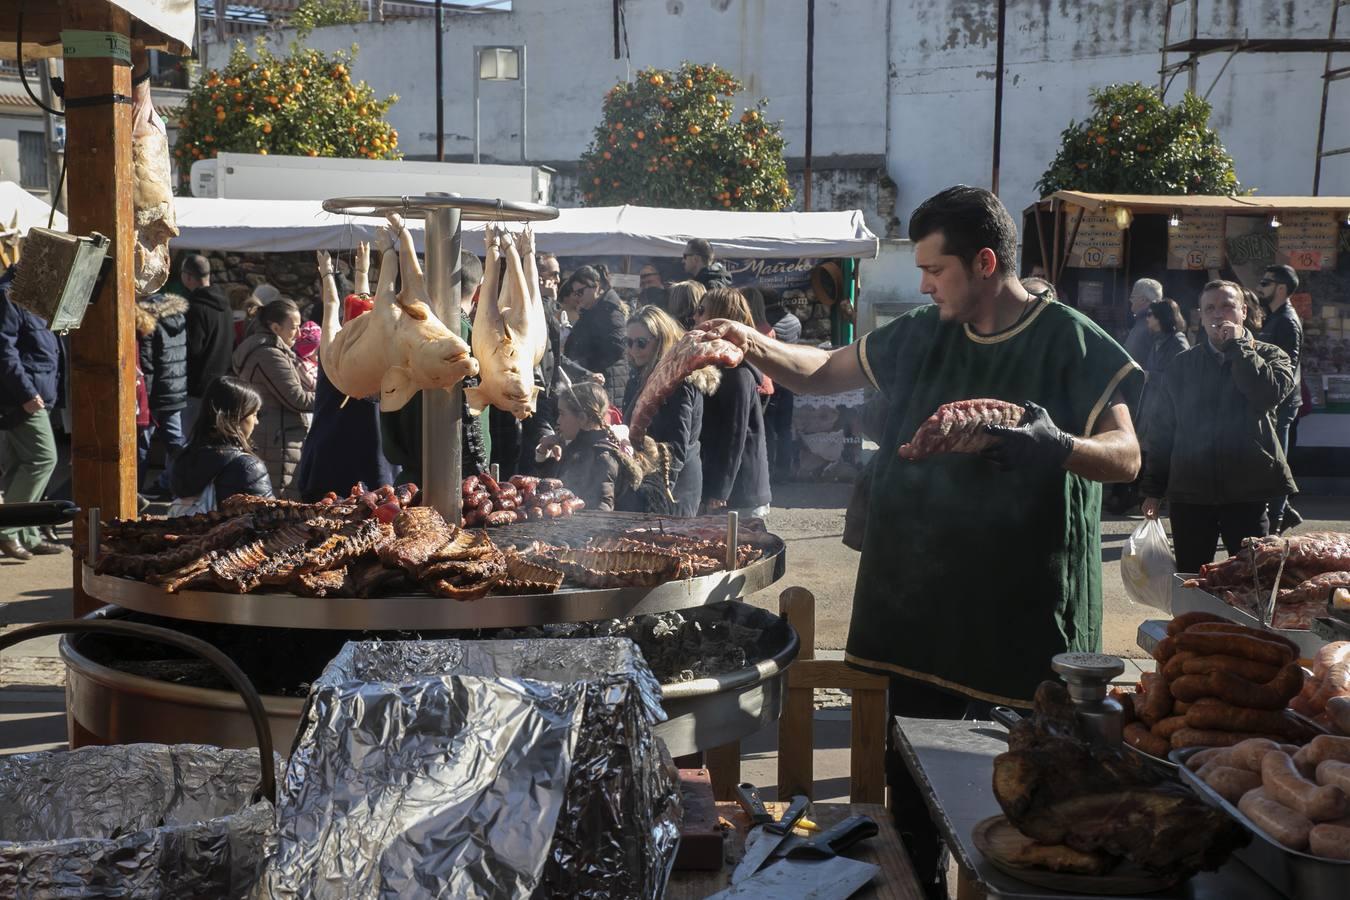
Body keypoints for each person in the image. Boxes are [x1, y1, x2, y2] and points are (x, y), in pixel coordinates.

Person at [696, 185, 1142, 898]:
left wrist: (1053, 443)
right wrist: (747, 342)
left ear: (987, 262)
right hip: (916, 607)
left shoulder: (1068, 339)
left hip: (1019, 613)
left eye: (937, 270)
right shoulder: (923, 331)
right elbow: (820, 372)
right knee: (909, 798)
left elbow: (1126, 455)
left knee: (1027, 804)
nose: (925, 283)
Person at [1140, 280, 1296, 575]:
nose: (1218, 314)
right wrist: (1153, 489)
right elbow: (1163, 431)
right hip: (1191, 493)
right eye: (1210, 308)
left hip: (1247, 491)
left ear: (1243, 311)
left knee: (1251, 583)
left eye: (1227, 305)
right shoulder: (1182, 365)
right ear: (1200, 315)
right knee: (1192, 579)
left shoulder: (1272, 356)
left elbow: (1266, 394)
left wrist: (1239, 348)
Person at [300, 248, 396, 500]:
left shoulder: (333, 347)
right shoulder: (379, 352)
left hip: (333, 451)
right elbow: (362, 311)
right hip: (370, 456)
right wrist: (362, 272)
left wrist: (327, 273)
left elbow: (336, 306)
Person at [620, 306, 715, 516]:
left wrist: (660, 493)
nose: (633, 349)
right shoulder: (640, 375)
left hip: (674, 488)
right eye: (629, 342)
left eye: (641, 343)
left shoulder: (678, 383)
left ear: (661, 340)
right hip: (648, 479)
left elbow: (676, 447)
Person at [0, 267, 62, 560]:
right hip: (22, 398)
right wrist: (27, 393)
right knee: (43, 458)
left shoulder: (31, 294)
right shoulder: (11, 295)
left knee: (19, 465)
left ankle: (27, 531)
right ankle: (7, 531)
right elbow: (5, 351)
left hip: (34, 394)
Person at [693, 288, 772, 519]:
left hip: (739, 490)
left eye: (701, 310)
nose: (695, 317)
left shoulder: (736, 370)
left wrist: (719, 489)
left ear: (719, 316)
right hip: (727, 484)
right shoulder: (720, 361)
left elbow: (734, 433)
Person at [232, 298, 314, 498]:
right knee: (278, 504)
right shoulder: (269, 355)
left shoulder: (273, 351)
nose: (300, 333)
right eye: (294, 327)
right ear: (276, 328)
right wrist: (331, 395)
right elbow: (297, 399)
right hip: (277, 440)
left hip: (276, 435)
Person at [169, 375, 273, 513]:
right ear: (236, 416)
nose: (256, 422)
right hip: (233, 534)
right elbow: (268, 520)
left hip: (190, 533)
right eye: (253, 414)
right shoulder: (249, 467)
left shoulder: (184, 458)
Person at [1258, 264, 1304, 533]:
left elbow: (1288, 367)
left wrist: (1274, 400)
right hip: (1271, 402)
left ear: (1281, 289)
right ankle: (1284, 513)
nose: (1260, 287)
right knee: (1268, 460)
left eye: (1266, 283)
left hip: (1280, 405)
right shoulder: (1274, 317)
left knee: (1276, 463)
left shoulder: (1286, 320)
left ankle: (1275, 523)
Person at [134, 290, 190, 498]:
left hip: (154, 393)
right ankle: (185, 486)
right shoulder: (178, 316)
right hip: (175, 391)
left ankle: (134, 493)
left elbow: (146, 364)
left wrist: (143, 399)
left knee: (141, 445)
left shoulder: (146, 320)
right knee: (176, 442)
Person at [554, 381, 643, 511]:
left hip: (584, 529)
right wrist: (542, 456)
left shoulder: (602, 457)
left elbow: (602, 510)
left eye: (562, 414)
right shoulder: (575, 448)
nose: (558, 420)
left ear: (582, 418)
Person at [181, 254, 235, 432]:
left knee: (188, 443)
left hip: (196, 388)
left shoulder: (195, 308)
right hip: (220, 385)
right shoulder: (226, 306)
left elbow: (192, 349)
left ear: (187, 276)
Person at [563, 264, 630, 405]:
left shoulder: (610, 311)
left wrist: (582, 364)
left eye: (580, 292)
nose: (577, 297)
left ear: (596, 286)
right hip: (598, 384)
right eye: (575, 293)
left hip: (608, 386)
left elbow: (616, 348)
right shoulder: (593, 310)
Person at [1123, 277, 1164, 365]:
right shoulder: (1153, 323)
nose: (1130, 300)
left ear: (1143, 300)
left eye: (1132, 297)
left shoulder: (1148, 325)